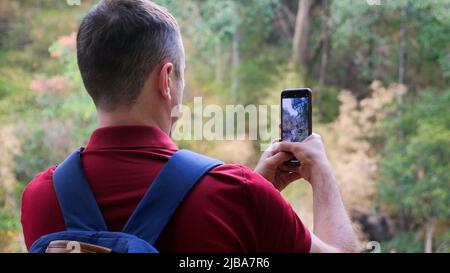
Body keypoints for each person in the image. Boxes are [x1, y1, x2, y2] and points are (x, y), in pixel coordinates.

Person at [21, 0, 357, 253]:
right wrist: (321, 173)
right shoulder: (238, 195)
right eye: (181, 74)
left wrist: (253, 196)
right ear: (166, 79)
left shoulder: (40, 197)